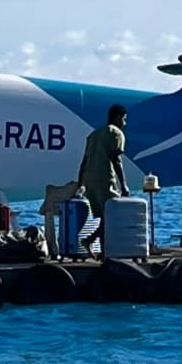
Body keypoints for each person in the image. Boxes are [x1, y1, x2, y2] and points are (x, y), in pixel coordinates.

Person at [76, 102, 129, 253]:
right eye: (124, 119)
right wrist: (124, 184)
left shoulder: (93, 135)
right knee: (113, 215)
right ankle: (91, 241)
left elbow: (84, 161)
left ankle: (103, 252)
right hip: (104, 179)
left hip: (90, 181)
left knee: (104, 217)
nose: (124, 123)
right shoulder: (115, 133)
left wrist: (81, 183)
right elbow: (116, 159)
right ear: (117, 117)